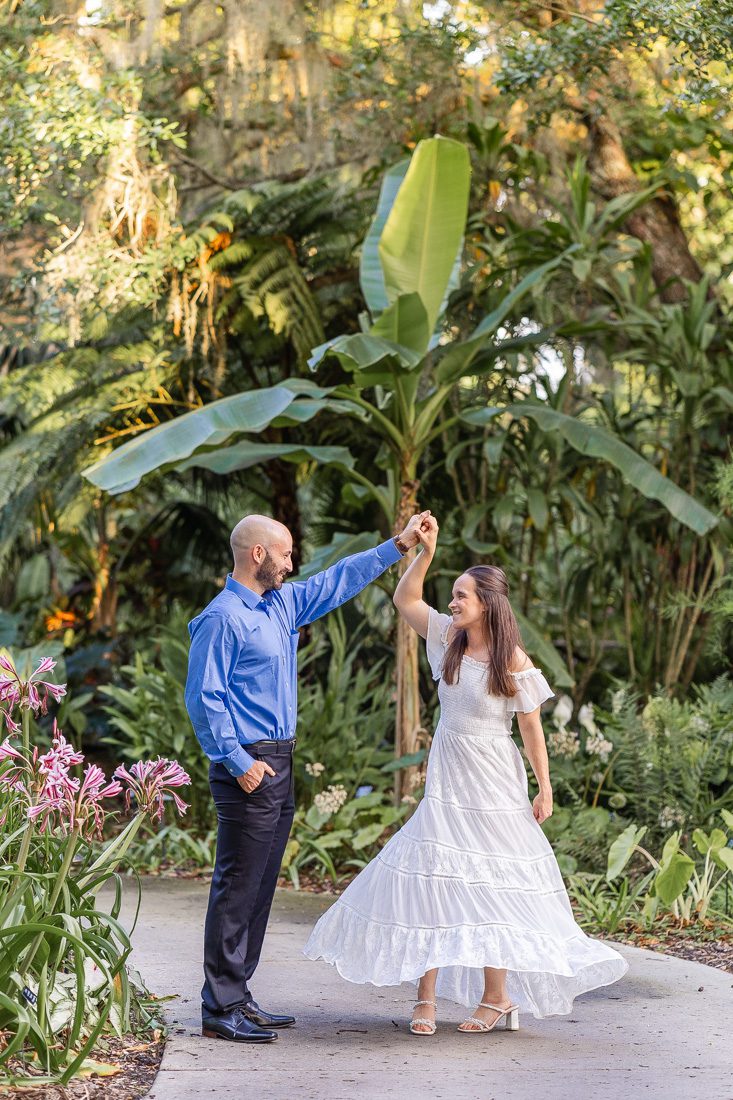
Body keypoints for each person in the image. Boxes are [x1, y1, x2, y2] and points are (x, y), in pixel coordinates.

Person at [304, 515, 628, 1034]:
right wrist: (424, 554)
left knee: (491, 881)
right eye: (452, 594)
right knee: (436, 876)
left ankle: (497, 997)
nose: (453, 603)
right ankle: (425, 997)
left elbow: (532, 733)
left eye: (462, 596)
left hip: (494, 780)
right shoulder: (446, 639)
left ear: (488, 605)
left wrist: (545, 789)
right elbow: (405, 601)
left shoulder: (513, 660)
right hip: (449, 779)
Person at [184, 511, 431, 1044]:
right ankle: (218, 1006)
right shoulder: (223, 616)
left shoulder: (282, 604)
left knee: (261, 884)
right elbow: (204, 700)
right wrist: (239, 761)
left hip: (279, 759)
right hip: (248, 763)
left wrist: (400, 545)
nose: (292, 563)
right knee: (237, 884)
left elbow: (336, 580)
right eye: (286, 554)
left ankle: (238, 995)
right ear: (258, 555)